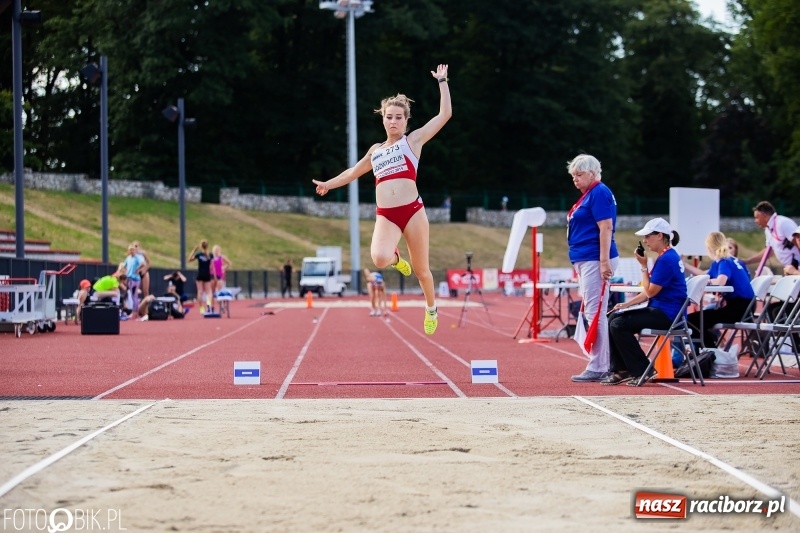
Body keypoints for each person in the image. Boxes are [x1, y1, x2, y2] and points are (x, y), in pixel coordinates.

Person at [312, 64, 451, 335]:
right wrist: (329, 184)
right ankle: (396, 257)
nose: (393, 121)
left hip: (412, 211)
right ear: (383, 119)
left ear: (406, 120)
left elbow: (444, 114)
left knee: (422, 271)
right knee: (378, 258)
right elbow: (354, 171)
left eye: (399, 117)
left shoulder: (413, 141)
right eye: (389, 117)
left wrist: (442, 81)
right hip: (386, 215)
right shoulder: (376, 151)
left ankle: (431, 308)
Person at [603, 218, 687, 386]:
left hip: (667, 315)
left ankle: (642, 369)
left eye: (648, 236)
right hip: (663, 311)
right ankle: (621, 369)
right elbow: (649, 292)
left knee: (619, 324)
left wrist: (643, 266)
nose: (645, 241)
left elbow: (649, 291)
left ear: (659, 236)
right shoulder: (666, 256)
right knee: (614, 318)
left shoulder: (666, 260)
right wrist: (625, 305)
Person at [566, 154, 620, 383]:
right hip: (587, 258)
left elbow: (606, 227)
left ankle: (599, 365)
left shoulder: (598, 192)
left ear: (592, 173)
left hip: (594, 259)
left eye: (579, 175)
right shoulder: (591, 194)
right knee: (593, 311)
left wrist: (604, 261)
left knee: (595, 312)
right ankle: (601, 362)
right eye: (573, 176)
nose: (575, 180)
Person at [685, 231, 755, 348]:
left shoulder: (724, 261)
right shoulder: (730, 260)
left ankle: (710, 355)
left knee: (692, 321)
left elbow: (720, 281)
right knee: (697, 320)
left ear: (708, 248)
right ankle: (708, 352)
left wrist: (707, 282)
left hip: (740, 308)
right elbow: (705, 274)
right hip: (747, 306)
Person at [743, 201, 800, 273]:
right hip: (790, 268)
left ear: (765, 216)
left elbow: (798, 242)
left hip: (797, 266)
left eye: (757, 217)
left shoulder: (783, 223)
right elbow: (768, 252)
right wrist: (748, 261)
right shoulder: (768, 229)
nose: (755, 221)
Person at [189, 239, 214, 313]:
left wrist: (194, 250)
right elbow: (211, 266)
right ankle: (208, 305)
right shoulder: (210, 255)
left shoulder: (199, 254)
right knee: (208, 292)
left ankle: (201, 309)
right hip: (207, 274)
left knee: (200, 292)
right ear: (207, 246)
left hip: (200, 274)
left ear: (201, 246)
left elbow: (189, 259)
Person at [122, 244, 145, 316]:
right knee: (129, 295)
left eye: (133, 250)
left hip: (135, 279)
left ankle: (135, 312)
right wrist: (125, 273)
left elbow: (142, 263)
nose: (131, 251)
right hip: (129, 278)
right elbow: (124, 265)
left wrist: (137, 269)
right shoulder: (128, 258)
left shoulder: (138, 257)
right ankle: (130, 310)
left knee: (134, 295)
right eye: (130, 250)